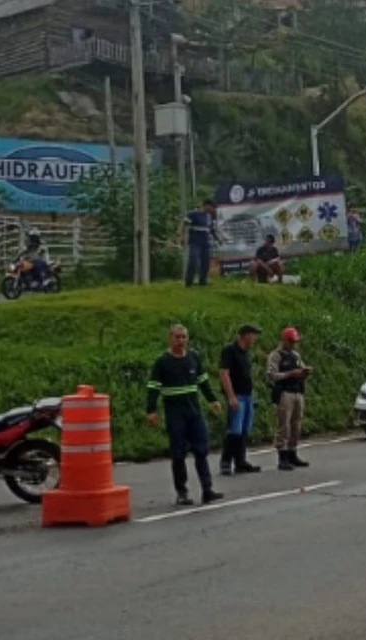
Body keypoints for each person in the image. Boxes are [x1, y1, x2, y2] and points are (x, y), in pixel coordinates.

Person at [146, 324, 225, 505]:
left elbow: (203, 382)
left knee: (201, 451)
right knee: (178, 453)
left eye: (184, 337)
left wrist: (213, 400)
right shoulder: (162, 362)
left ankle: (207, 489)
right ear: (170, 338)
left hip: (194, 412)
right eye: (177, 337)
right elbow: (153, 388)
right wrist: (151, 410)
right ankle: (182, 492)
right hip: (175, 414)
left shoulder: (194, 358)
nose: (181, 341)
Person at [219, 323, 262, 476]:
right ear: (245, 335)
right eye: (253, 334)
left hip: (247, 394)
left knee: (244, 430)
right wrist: (230, 396)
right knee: (234, 430)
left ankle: (240, 461)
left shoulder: (245, 353)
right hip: (237, 395)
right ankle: (226, 461)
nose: (255, 338)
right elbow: (224, 373)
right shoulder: (230, 351)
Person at [266, 326, 312, 471]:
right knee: (283, 425)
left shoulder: (296, 356)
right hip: (284, 392)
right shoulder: (276, 355)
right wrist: (289, 374)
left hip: (297, 391)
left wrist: (305, 372)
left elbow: (301, 368)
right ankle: (282, 455)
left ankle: (293, 452)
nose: (293, 345)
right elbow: (272, 375)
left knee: (296, 425)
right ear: (284, 340)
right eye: (291, 342)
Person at [180, 199, 220, 287]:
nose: (213, 210)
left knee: (205, 262)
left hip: (205, 242)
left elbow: (212, 230)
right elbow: (184, 224)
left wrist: (218, 239)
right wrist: (182, 236)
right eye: (212, 207)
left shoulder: (210, 217)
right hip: (195, 242)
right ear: (206, 205)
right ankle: (189, 281)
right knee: (193, 261)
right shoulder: (193, 214)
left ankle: (203, 281)